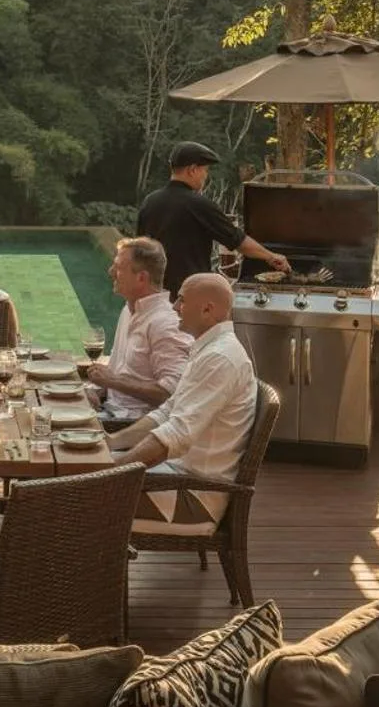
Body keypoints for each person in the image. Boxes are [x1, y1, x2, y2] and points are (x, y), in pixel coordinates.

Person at [107, 273, 258, 533]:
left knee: (71, 500)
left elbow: (177, 434)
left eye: (182, 300)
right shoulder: (208, 349)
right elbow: (166, 413)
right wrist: (111, 443)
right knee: (77, 476)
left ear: (207, 310)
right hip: (173, 477)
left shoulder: (220, 358)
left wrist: (112, 473)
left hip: (193, 497)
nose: (175, 307)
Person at [136, 141, 288, 295]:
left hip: (154, 293)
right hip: (189, 294)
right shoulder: (199, 205)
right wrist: (271, 256)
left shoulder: (150, 202)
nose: (206, 176)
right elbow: (237, 240)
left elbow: (139, 248)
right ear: (192, 170)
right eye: (205, 170)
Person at [84, 236, 191, 420]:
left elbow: (172, 393)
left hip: (133, 423)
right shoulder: (129, 309)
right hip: (110, 411)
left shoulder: (165, 324)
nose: (111, 272)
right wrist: (97, 390)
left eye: (118, 268)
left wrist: (113, 381)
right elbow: (119, 371)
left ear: (141, 278)